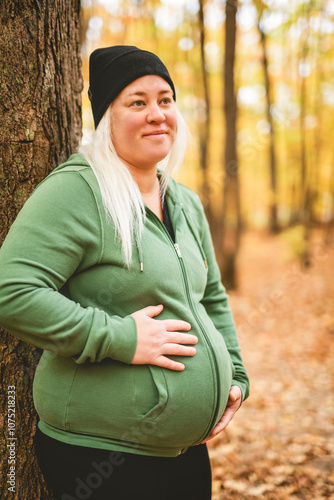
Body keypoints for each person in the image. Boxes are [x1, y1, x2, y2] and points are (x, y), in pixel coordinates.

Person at [0, 46, 249, 499]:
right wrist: (121, 339)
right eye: (137, 102)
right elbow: (12, 293)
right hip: (101, 457)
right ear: (106, 119)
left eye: (165, 100)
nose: (157, 114)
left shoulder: (184, 201)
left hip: (185, 452)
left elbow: (211, 295)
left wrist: (234, 375)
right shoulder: (78, 192)